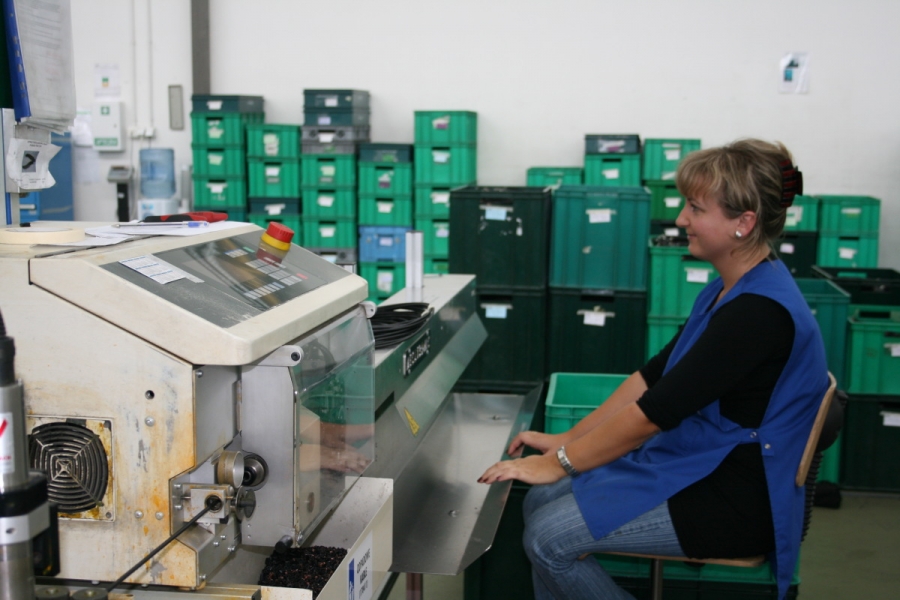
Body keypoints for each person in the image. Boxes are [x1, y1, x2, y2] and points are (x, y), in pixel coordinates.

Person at [478, 139, 828, 600]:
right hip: (703, 461)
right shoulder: (730, 289)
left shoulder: (758, 313)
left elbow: (653, 413)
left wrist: (556, 463)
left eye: (696, 208)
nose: (681, 219)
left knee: (548, 539)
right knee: (541, 500)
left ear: (743, 223)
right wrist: (569, 440)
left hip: (737, 496)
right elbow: (653, 376)